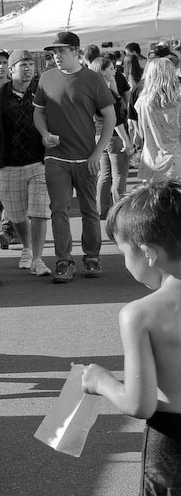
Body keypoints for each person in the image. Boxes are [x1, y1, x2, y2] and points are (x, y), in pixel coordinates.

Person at [82, 180, 181, 494]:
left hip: (172, 444)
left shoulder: (140, 314)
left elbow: (140, 404)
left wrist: (101, 382)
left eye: (124, 252)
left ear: (148, 253)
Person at [33, 31, 116, 283]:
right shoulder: (46, 78)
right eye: (54, 52)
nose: (56, 56)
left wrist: (98, 152)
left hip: (86, 157)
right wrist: (44, 134)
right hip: (55, 157)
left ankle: (92, 257)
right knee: (58, 209)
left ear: (76, 52)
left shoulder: (93, 79)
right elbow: (38, 113)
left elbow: (110, 116)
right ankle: (64, 261)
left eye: (61, 51)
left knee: (90, 210)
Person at [0, 49, 52, 277]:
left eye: (30, 64)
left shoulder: (42, 92)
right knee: (16, 214)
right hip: (9, 164)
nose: (27, 68)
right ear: (11, 69)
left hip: (38, 161)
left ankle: (37, 258)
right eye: (22, 65)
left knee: (39, 210)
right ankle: (26, 247)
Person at [88, 57, 133, 218]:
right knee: (119, 174)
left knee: (105, 174)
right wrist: (127, 141)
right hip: (114, 136)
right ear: (102, 71)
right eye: (111, 68)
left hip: (98, 135)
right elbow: (116, 120)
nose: (115, 71)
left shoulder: (92, 91)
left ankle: (102, 209)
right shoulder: (106, 93)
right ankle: (119, 211)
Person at [134, 57, 181, 182]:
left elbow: (141, 132)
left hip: (151, 160)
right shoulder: (178, 101)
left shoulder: (141, 102)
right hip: (176, 160)